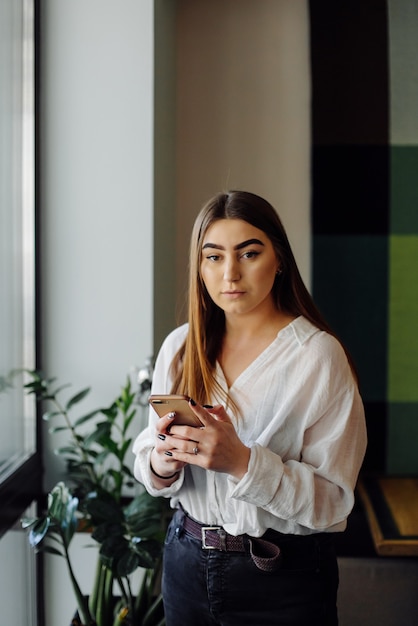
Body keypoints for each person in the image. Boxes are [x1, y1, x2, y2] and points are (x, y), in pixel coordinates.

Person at [133, 190, 367, 626]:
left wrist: (243, 463)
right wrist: (163, 461)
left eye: (249, 253)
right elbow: (149, 458)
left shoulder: (317, 357)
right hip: (185, 564)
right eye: (214, 257)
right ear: (199, 268)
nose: (231, 274)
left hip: (282, 578)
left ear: (279, 260)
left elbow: (334, 502)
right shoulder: (181, 347)